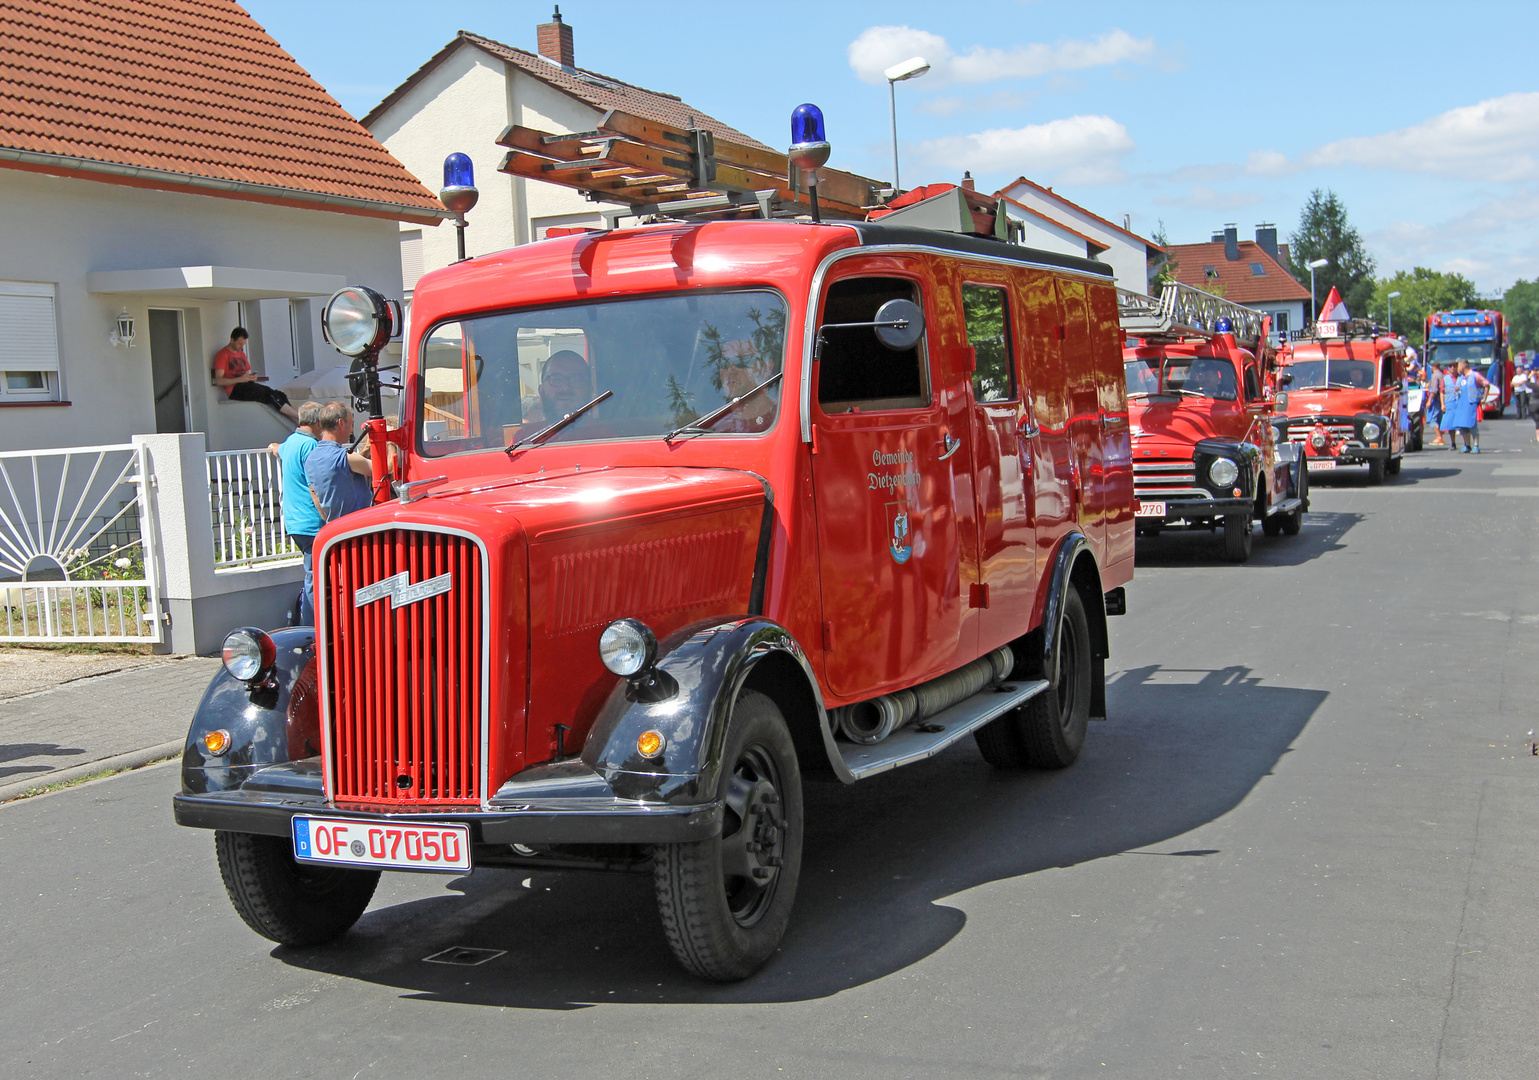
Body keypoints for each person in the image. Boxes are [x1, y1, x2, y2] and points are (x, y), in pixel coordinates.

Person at [267, 402, 322, 624]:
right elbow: (314, 485)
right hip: (311, 521)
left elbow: (278, 449)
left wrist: (274, 448)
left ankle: (312, 625)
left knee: (312, 575)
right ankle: (311, 628)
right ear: (318, 422)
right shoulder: (310, 446)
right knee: (314, 578)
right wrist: (326, 514)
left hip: (294, 521)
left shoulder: (290, 442)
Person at [305, 402, 374, 526]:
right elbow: (383, 470)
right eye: (351, 424)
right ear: (341, 423)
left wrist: (328, 520)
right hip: (359, 526)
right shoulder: (345, 457)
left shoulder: (311, 458)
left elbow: (313, 493)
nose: (352, 430)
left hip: (335, 525)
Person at [213, 327, 299, 422]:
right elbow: (219, 380)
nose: (241, 347)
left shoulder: (242, 354)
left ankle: (297, 419)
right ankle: (300, 417)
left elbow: (246, 374)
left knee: (280, 394)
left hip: (246, 385)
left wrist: (251, 377)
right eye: (239, 344)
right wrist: (239, 380)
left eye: (243, 344)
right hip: (234, 390)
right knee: (270, 395)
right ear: (232, 340)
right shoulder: (222, 354)